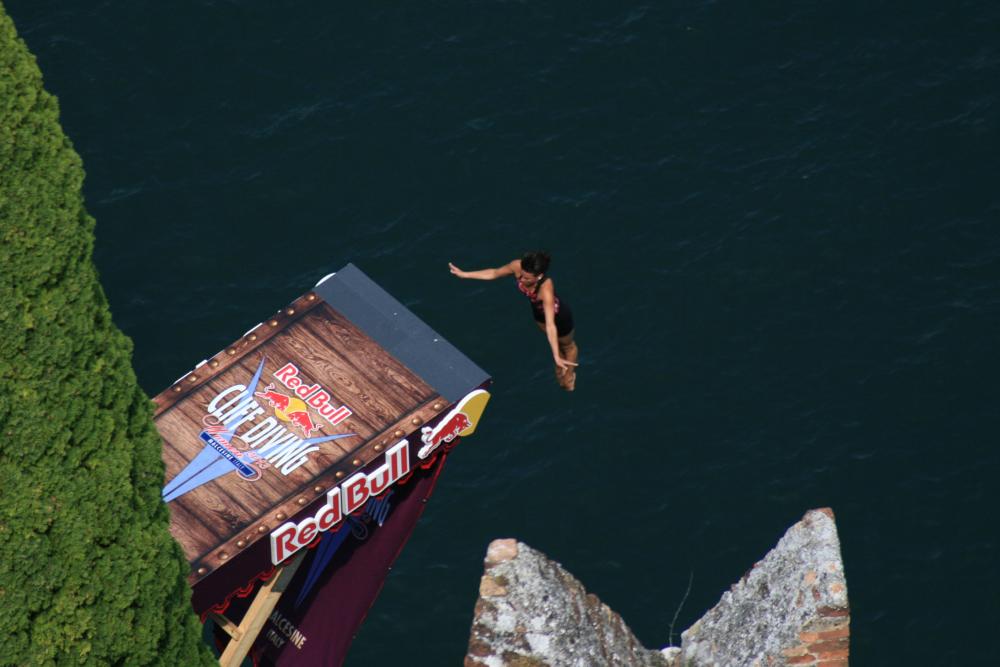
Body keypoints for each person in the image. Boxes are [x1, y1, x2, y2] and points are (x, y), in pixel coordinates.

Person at [449, 251, 579, 391]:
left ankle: (570, 375)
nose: (521, 279)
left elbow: (551, 324)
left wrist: (554, 355)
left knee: (568, 347)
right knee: (556, 347)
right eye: (521, 275)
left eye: (527, 278)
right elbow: (494, 273)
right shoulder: (517, 266)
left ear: (539, 276)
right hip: (538, 314)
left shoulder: (546, 288)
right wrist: (465, 274)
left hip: (559, 317)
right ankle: (561, 363)